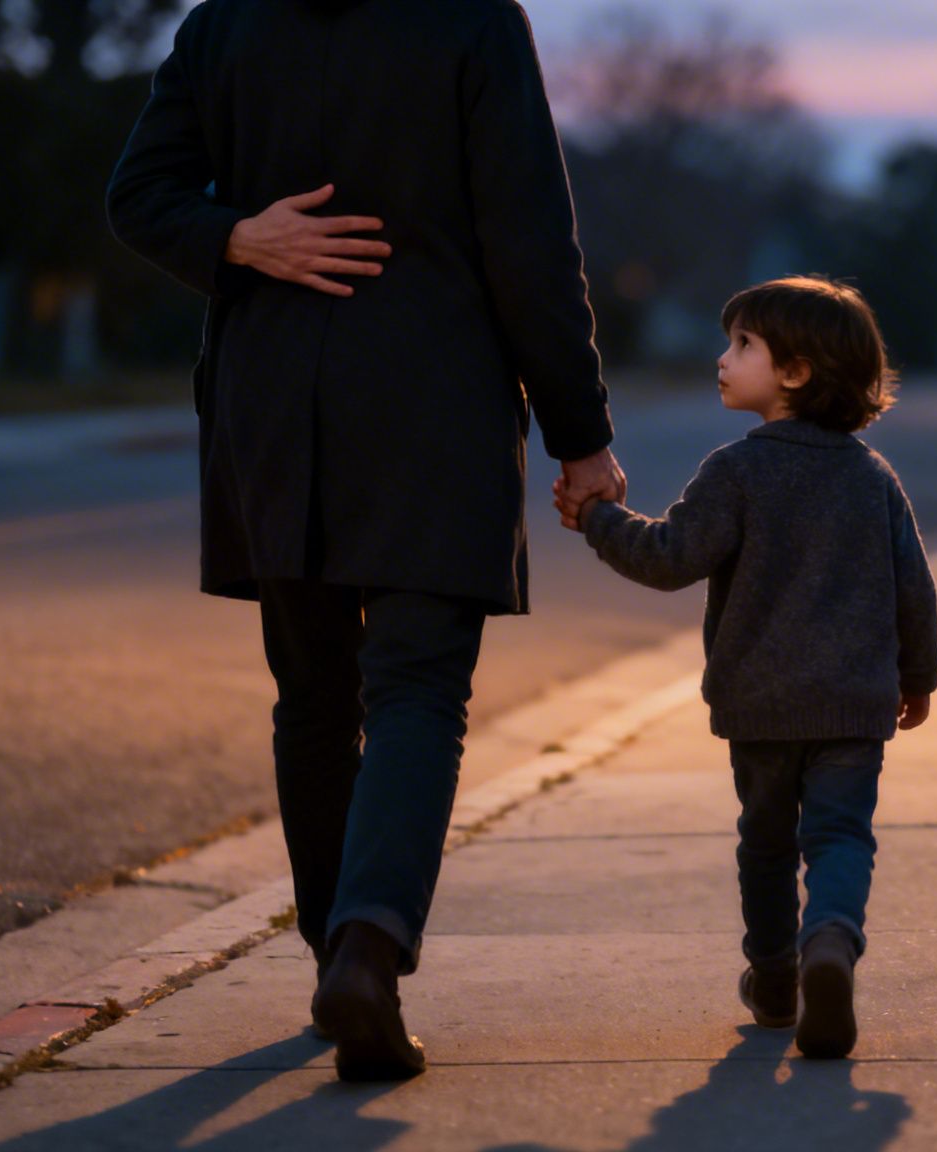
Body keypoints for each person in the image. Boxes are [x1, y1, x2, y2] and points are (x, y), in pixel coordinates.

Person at [106, 0, 625, 1081]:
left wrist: (232, 236)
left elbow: (141, 198)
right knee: (416, 693)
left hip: (272, 409)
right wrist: (580, 435)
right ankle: (366, 953)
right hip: (431, 404)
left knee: (313, 699)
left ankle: (332, 963)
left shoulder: (227, 24)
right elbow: (527, 236)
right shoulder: (471, 21)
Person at [554, 277, 937, 1060]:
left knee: (766, 845)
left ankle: (775, 981)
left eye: (742, 346)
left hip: (761, 706)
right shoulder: (874, 479)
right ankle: (830, 940)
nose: (722, 359)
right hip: (853, 707)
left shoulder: (735, 470)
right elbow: (914, 591)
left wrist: (597, 517)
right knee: (840, 837)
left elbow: (669, 559)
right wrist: (918, 676)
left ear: (794, 372)